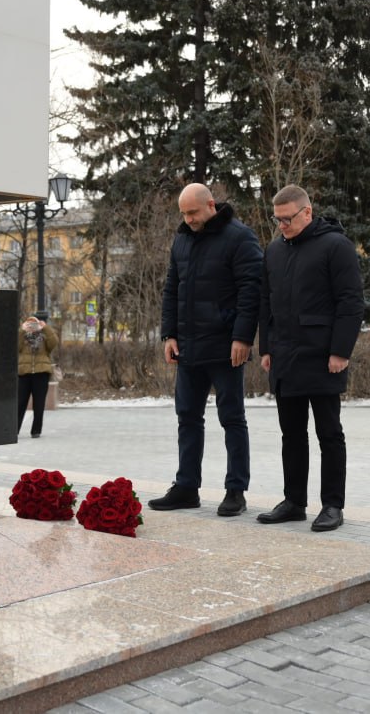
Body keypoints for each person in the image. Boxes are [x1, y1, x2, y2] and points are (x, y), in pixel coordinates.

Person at [255, 185, 365, 533]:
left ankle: (332, 505)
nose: (282, 225)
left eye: (288, 219)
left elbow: (351, 302)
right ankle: (294, 501)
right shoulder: (273, 250)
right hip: (285, 357)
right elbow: (266, 302)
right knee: (291, 434)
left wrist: (340, 351)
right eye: (278, 220)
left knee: (329, 433)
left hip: (321, 356)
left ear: (307, 212)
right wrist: (267, 348)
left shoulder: (336, 246)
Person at [150, 183, 263, 516]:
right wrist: (169, 334)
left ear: (210, 205)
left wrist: (242, 338)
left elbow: (251, 291)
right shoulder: (182, 237)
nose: (188, 219)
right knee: (187, 417)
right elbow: (173, 288)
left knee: (232, 419)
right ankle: (186, 487)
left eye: (193, 212)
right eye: (183, 213)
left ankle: (235, 491)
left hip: (226, 347)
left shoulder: (239, 237)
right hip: (188, 348)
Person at [17, 311, 59, 438]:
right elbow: (14, 347)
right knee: (20, 402)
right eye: (30, 324)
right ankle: (14, 430)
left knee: (39, 403)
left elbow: (54, 343)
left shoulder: (44, 336)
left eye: (34, 323)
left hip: (41, 373)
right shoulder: (23, 337)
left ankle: (36, 430)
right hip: (24, 373)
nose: (32, 326)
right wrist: (22, 330)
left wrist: (45, 328)